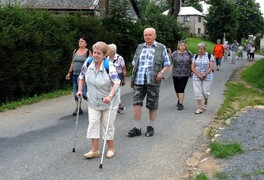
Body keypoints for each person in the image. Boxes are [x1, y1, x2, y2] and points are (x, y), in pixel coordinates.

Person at [77, 41, 120, 159]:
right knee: (93, 124)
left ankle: (111, 148)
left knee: (107, 126)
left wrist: (110, 96)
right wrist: (80, 90)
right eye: (94, 52)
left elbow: (117, 82)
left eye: (99, 53)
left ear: (104, 55)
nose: (95, 55)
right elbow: (81, 77)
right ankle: (95, 150)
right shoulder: (88, 62)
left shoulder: (109, 66)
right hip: (93, 101)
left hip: (109, 101)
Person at [127, 27, 171, 137]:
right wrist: (132, 78)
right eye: (146, 35)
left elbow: (167, 63)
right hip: (139, 80)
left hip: (153, 81)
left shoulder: (161, 47)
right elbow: (134, 64)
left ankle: (150, 127)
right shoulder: (139, 47)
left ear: (155, 36)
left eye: (150, 35)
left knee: (152, 105)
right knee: (136, 103)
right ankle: (137, 128)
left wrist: (161, 72)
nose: (147, 37)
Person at [65, 37, 92, 116]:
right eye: (79, 41)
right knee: (76, 92)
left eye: (82, 41)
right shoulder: (75, 51)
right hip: (75, 74)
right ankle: (78, 108)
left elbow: (90, 64)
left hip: (83, 75)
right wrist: (69, 72)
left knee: (84, 93)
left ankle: (93, 104)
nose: (80, 42)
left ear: (86, 43)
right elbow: (72, 62)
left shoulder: (88, 52)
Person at [191, 42, 214, 114]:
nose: (200, 50)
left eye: (201, 49)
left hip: (207, 76)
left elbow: (211, 67)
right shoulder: (195, 56)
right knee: (197, 92)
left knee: (205, 92)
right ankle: (200, 108)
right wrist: (198, 74)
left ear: (204, 49)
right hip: (196, 76)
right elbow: (192, 67)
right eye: (199, 49)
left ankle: (206, 101)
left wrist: (204, 74)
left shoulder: (209, 56)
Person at [170, 40, 192, 110]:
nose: (183, 47)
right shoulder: (174, 53)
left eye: (184, 45)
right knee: (176, 89)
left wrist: (192, 71)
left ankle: (180, 103)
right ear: (179, 46)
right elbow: (170, 61)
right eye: (181, 45)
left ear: (185, 46)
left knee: (181, 88)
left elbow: (192, 62)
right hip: (175, 73)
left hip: (185, 73)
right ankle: (179, 99)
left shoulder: (188, 53)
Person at [107, 43, 126, 113]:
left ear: (112, 51)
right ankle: (119, 105)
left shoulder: (119, 58)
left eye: (108, 50)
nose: (106, 51)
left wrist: (124, 80)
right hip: (109, 76)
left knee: (116, 91)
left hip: (118, 76)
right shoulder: (107, 58)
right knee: (112, 91)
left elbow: (123, 69)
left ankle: (117, 106)